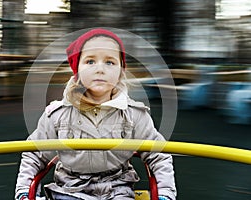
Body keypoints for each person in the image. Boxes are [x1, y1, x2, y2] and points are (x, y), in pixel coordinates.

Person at [15, 28, 177, 200]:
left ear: (121, 71)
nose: (100, 69)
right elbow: (34, 154)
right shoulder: (58, 114)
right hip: (69, 189)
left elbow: (159, 155)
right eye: (90, 61)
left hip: (117, 189)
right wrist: (24, 191)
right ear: (77, 69)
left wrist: (165, 193)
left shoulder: (134, 115)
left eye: (109, 62)